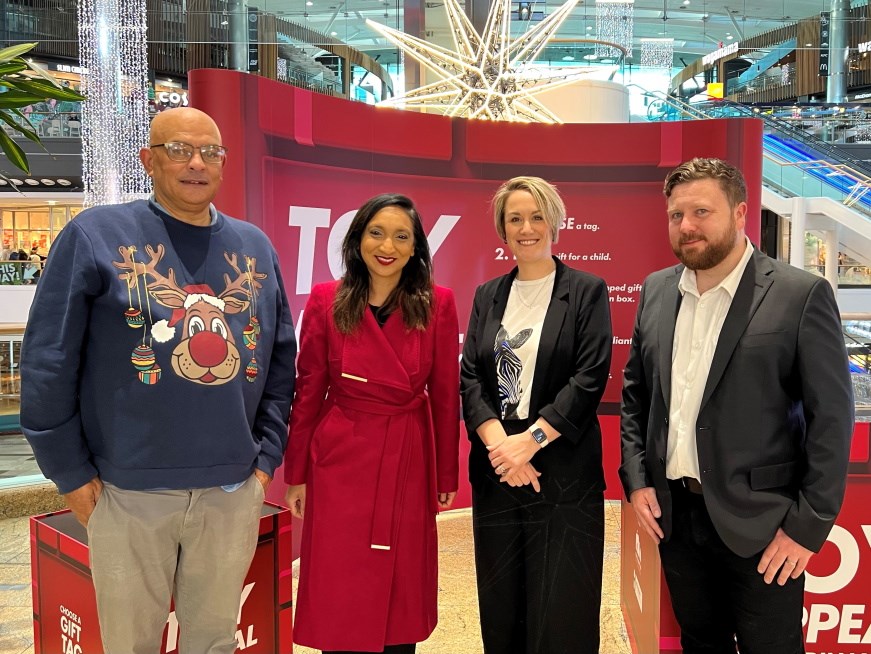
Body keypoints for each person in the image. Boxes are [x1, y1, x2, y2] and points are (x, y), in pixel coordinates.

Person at [20, 107, 297, 654]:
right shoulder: (95, 236)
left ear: (223, 163)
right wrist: (70, 474)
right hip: (127, 493)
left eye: (210, 152)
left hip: (231, 493)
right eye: (178, 150)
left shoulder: (255, 248)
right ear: (149, 159)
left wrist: (264, 463)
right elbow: (48, 361)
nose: (196, 163)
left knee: (215, 642)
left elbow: (279, 362)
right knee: (130, 646)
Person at [619, 158, 854, 654]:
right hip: (677, 519)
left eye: (701, 211)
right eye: (676, 215)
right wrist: (638, 480)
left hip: (765, 527)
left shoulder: (799, 294)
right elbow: (637, 396)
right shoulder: (657, 290)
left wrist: (806, 529)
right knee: (701, 643)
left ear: (740, 212)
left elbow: (831, 420)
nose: (686, 226)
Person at [284, 193, 460, 654]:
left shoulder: (438, 303)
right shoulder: (327, 298)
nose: (388, 246)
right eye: (376, 233)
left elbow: (445, 396)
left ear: (416, 246)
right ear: (357, 238)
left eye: (402, 236)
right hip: (338, 458)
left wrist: (445, 475)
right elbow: (308, 391)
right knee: (341, 584)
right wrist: (296, 473)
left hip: (407, 453)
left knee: (400, 581)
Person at [460, 176, 612, 654]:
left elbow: (589, 378)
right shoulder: (488, 295)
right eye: (514, 219)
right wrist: (502, 449)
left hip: (564, 476)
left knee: (562, 611)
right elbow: (470, 379)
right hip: (499, 474)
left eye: (536, 216)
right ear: (502, 230)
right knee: (503, 608)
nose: (526, 228)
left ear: (554, 221)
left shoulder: (586, 290)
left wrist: (531, 441)